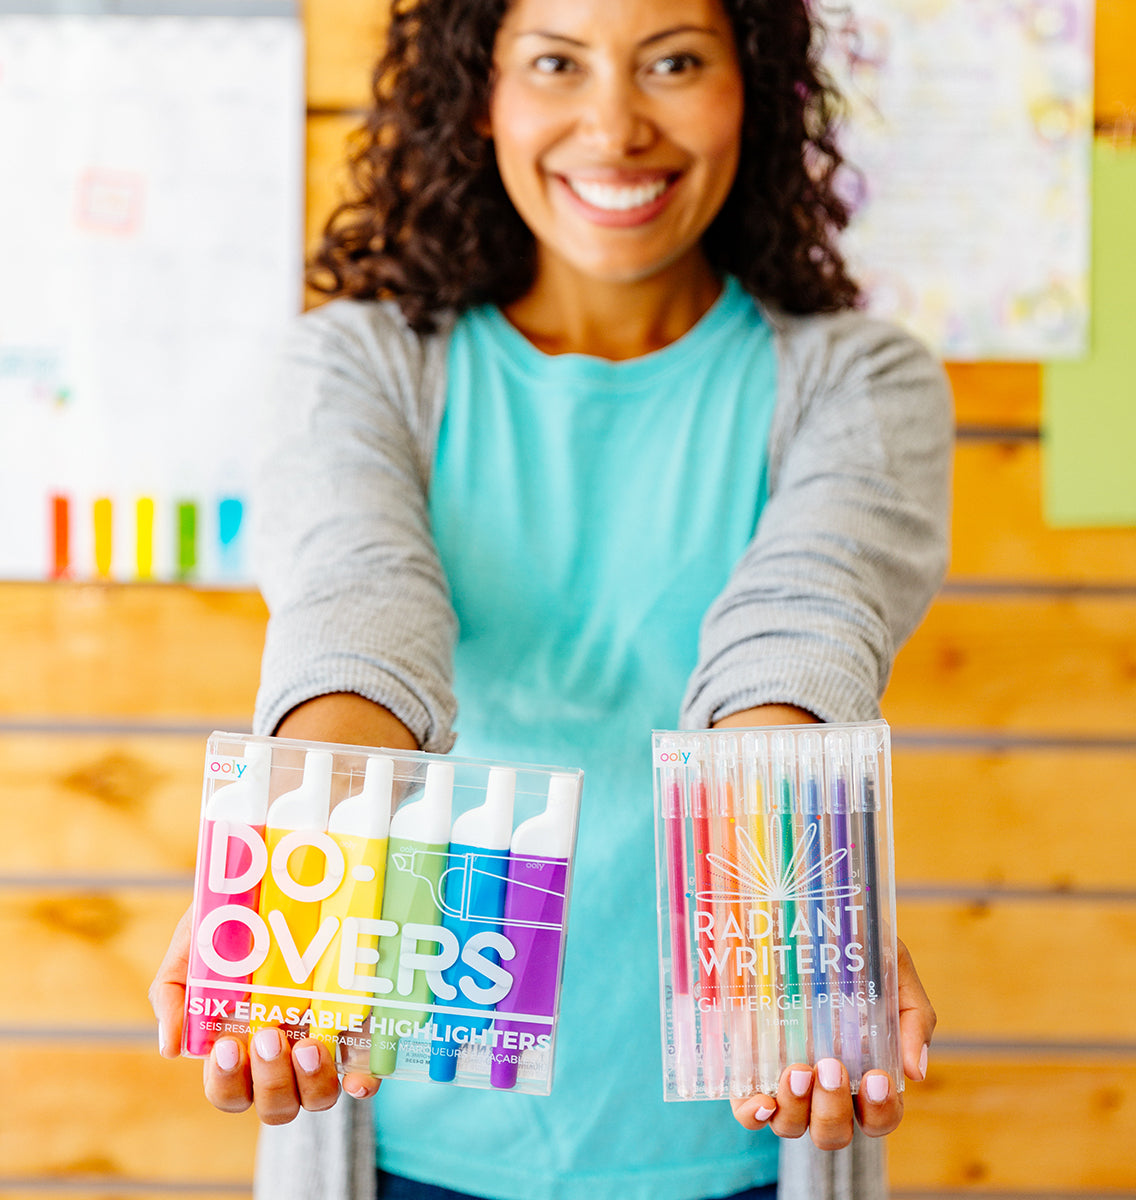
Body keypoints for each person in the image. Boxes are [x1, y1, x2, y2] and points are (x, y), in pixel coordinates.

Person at [150, 0, 948, 1197]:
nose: (614, 124)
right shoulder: (357, 365)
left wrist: (805, 913)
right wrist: (290, 846)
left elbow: (803, 627)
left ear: (756, 88)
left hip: (734, 1140)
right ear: (481, 94)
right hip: (403, 1140)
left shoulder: (859, 380)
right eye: (556, 63)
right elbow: (359, 603)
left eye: (673, 62)